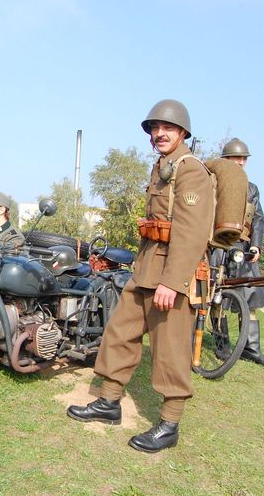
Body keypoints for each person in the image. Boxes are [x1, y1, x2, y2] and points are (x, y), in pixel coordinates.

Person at [66, 99, 214, 453]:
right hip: (146, 266)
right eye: (154, 129)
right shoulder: (162, 167)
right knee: (120, 333)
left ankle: (169, 424)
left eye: (168, 128)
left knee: (170, 349)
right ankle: (109, 402)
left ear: (182, 133)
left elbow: (191, 233)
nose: (159, 134)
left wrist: (172, 281)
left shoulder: (191, 170)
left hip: (172, 275)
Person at [220, 138, 264, 368]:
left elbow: (259, 219)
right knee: (218, 298)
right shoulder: (214, 183)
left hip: (243, 249)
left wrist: (256, 245)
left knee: (252, 295)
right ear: (226, 160)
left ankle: (251, 349)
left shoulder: (252, 189)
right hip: (220, 248)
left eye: (244, 159)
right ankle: (221, 345)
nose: (242, 162)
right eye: (237, 158)